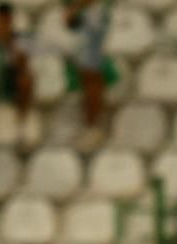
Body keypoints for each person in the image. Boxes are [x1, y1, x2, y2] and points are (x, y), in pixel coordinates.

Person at [0, 3, 36, 143]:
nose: (4, 21)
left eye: (6, 18)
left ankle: (21, 121)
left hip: (13, 78)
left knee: (26, 81)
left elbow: (23, 65)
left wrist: (9, 42)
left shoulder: (19, 38)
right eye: (1, 18)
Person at [65, 0, 112, 148]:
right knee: (87, 86)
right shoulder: (86, 13)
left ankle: (95, 127)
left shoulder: (97, 12)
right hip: (85, 53)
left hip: (93, 55)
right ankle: (90, 126)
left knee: (93, 84)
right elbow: (69, 22)